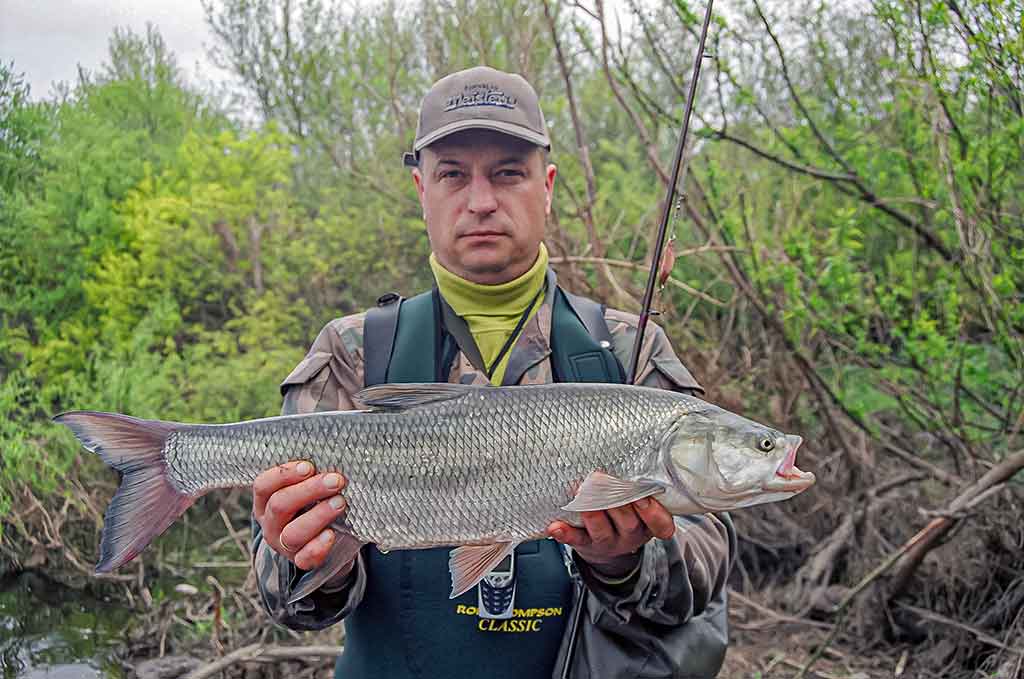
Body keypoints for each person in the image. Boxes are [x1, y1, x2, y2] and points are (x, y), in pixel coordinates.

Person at [250, 66, 736, 678]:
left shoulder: (628, 350)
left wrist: (625, 561)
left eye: (508, 172)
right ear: (420, 189)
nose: (481, 201)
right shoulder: (350, 354)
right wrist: (307, 552)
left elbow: (705, 574)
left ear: (548, 186)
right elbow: (284, 601)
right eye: (453, 174)